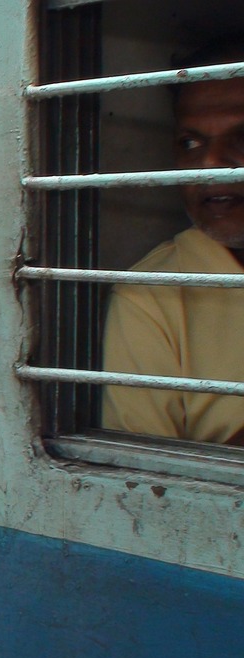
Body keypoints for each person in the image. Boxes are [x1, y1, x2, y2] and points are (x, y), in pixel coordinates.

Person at [101, 39, 244, 444]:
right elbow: (146, 483)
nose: (211, 164)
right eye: (190, 143)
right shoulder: (154, 293)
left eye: (242, 138)